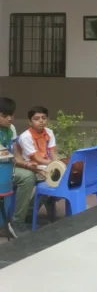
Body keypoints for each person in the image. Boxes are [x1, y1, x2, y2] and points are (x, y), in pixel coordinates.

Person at [0, 98, 41, 239]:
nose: (9, 118)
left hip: (7, 168)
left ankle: (17, 222)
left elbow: (15, 154)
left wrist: (28, 164)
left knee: (28, 175)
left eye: (11, 115)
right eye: (4, 115)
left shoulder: (10, 129)